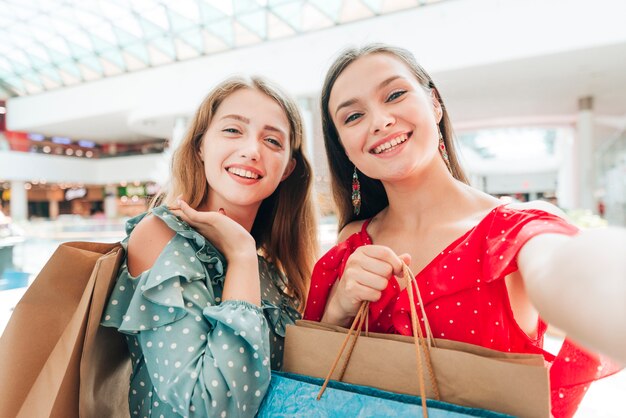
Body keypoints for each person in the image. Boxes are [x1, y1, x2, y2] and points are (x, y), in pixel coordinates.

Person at [303, 44, 625, 418]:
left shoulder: (514, 230)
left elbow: (566, 273)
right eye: (354, 116)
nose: (379, 121)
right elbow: (317, 378)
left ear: (434, 103)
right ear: (343, 146)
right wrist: (340, 306)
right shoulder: (351, 242)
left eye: (394, 94)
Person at [102, 76, 318, 417]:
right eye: (233, 130)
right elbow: (210, 407)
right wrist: (241, 256)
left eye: (273, 140)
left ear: (288, 169)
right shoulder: (160, 235)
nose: (252, 150)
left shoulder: (272, 269)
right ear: (201, 145)